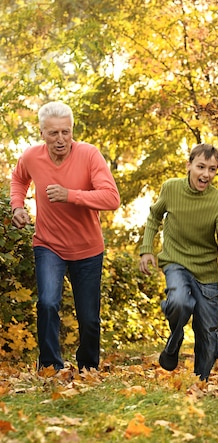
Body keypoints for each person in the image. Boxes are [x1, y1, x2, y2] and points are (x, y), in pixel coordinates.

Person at [10, 101, 121, 372]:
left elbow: (112, 198)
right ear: (42, 134)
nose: (61, 140)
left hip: (88, 248)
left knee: (89, 318)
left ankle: (88, 367)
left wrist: (70, 195)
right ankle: (50, 366)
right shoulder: (31, 157)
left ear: (73, 130)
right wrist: (18, 206)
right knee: (47, 303)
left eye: (66, 132)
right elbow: (18, 180)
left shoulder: (89, 155)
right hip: (48, 245)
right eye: (53, 133)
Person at [139, 143, 218, 381]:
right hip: (176, 262)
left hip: (205, 270)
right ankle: (174, 343)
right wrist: (146, 250)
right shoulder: (171, 188)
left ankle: (200, 383)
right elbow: (154, 216)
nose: (206, 174)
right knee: (179, 302)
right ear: (189, 166)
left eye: (212, 169)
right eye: (201, 167)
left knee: (209, 338)